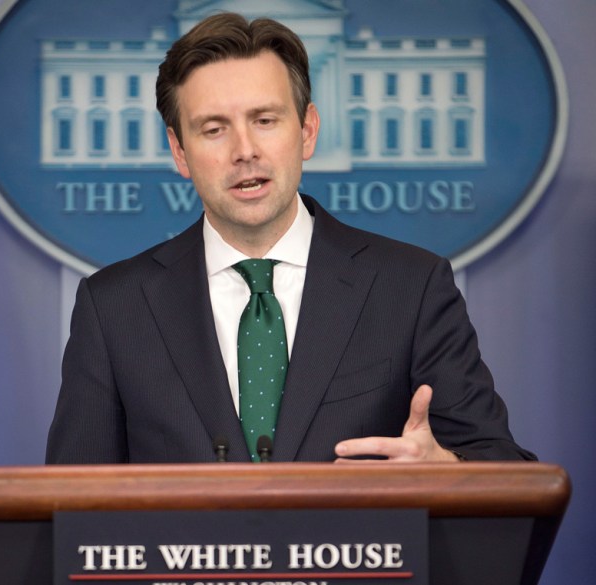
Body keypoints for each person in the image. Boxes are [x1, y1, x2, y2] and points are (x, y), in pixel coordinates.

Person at [45, 13, 535, 464]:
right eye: (214, 129)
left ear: (307, 131)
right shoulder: (114, 308)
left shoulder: (410, 288)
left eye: (265, 120)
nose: (244, 151)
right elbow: (69, 505)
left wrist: (447, 470)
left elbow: (505, 470)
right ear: (179, 151)